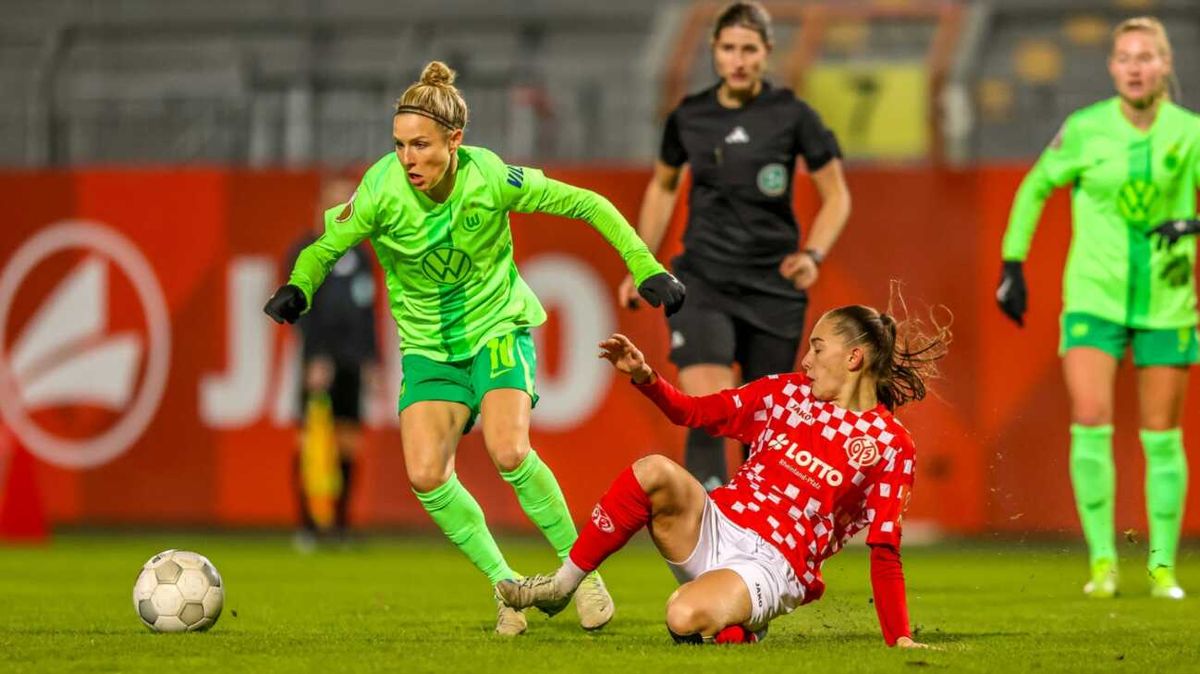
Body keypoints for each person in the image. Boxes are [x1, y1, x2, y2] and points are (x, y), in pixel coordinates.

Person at [264, 61, 686, 635]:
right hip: (428, 349)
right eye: (398, 144)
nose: (407, 158)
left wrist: (644, 266)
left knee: (508, 450)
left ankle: (582, 577)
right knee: (425, 475)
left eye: (420, 145)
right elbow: (323, 248)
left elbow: (587, 203)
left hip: (497, 330)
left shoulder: (489, 177)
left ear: (454, 140)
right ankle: (505, 586)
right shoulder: (380, 189)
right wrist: (300, 286)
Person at [498, 300, 949, 647]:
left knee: (682, 616)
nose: (806, 361)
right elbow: (694, 412)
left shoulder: (889, 444)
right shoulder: (786, 393)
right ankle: (562, 585)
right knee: (652, 470)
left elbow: (885, 548)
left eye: (817, 348)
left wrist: (899, 638)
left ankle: (737, 625)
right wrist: (646, 376)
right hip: (713, 524)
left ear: (853, 358)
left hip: (772, 565)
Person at [996, 16, 1198, 600]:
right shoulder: (1085, 129)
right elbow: (1036, 185)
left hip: (1168, 299)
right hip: (1094, 295)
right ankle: (1103, 562)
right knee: (1089, 416)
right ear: (1112, 67)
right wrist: (1013, 263)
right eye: (1125, 57)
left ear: (1165, 65)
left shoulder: (1189, 132)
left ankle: (1161, 567)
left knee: (1161, 434)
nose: (1136, 67)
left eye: (1146, 57)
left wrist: (1193, 224)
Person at [618, 1, 851, 491]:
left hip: (773, 287)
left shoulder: (793, 116)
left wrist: (813, 255)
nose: (738, 60)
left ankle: (752, 528)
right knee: (709, 408)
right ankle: (703, 528)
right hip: (703, 281)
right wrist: (641, 263)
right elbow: (663, 187)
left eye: (749, 49)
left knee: (764, 427)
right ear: (714, 50)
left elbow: (837, 195)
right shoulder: (689, 117)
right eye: (728, 49)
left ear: (767, 51)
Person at [284, 176, 380, 551]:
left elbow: (368, 312)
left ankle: (339, 525)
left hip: (352, 360)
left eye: (347, 203)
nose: (342, 211)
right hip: (319, 361)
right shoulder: (305, 251)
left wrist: (372, 359)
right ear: (320, 207)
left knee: (348, 443)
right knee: (310, 441)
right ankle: (308, 526)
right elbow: (300, 308)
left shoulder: (360, 256)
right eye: (334, 203)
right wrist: (314, 355)